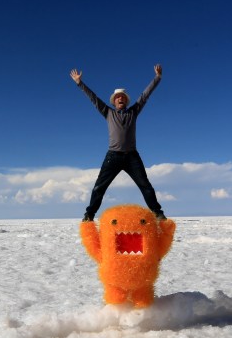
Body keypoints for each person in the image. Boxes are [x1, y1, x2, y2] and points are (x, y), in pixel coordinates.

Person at [70, 64, 166, 221]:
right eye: (117, 97)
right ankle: (89, 215)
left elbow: (145, 95)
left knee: (145, 186)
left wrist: (157, 78)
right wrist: (80, 83)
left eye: (122, 97)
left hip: (132, 157)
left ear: (126, 101)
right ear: (114, 102)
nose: (120, 98)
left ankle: (158, 213)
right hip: (113, 156)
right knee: (99, 187)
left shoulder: (133, 112)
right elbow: (94, 99)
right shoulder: (108, 112)